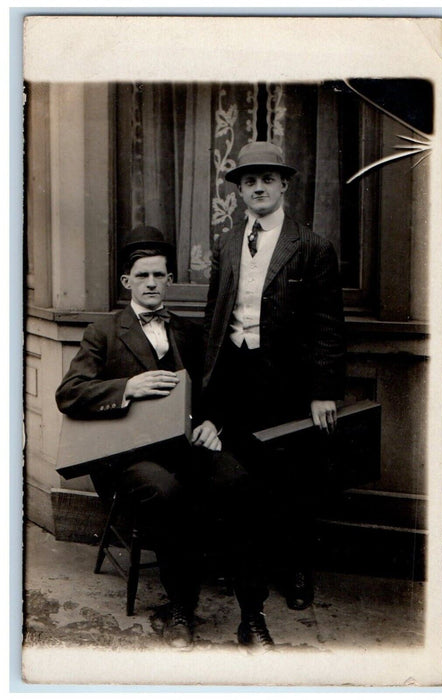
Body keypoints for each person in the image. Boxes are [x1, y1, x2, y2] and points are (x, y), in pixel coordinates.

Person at [56, 225, 274, 651]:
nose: (152, 283)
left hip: (186, 447)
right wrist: (126, 388)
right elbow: (69, 394)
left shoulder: (189, 332)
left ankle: (252, 617)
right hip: (129, 457)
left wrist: (213, 423)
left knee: (242, 485)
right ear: (127, 282)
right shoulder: (103, 333)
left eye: (159, 275)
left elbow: (212, 393)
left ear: (169, 279)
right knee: (167, 494)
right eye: (143, 276)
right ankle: (180, 609)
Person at [199, 141, 346, 610]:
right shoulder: (226, 242)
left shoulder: (312, 246)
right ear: (239, 191)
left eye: (266, 179)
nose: (257, 187)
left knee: (294, 479)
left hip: (288, 381)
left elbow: (328, 325)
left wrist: (322, 391)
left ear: (284, 184)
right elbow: (214, 316)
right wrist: (209, 384)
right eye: (248, 181)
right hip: (236, 374)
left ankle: (297, 569)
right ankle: (247, 568)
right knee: (242, 476)